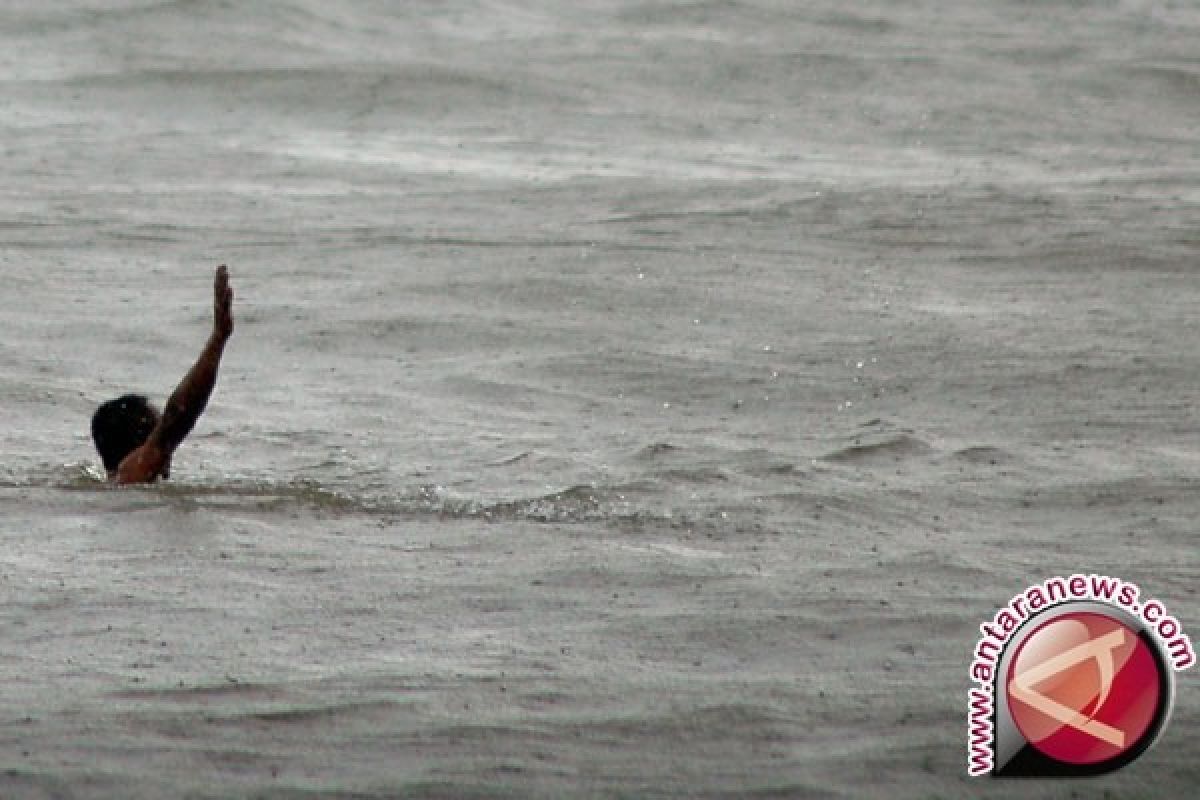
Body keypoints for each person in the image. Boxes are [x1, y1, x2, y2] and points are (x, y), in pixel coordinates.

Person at [91, 265, 234, 484]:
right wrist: (218, 339)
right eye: (156, 427)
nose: (171, 451)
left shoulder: (119, 484)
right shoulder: (131, 475)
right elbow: (179, 414)